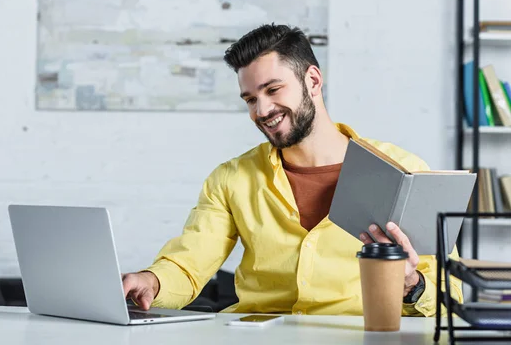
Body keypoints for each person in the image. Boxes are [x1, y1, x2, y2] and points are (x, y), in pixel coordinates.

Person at [122, 24, 462, 316]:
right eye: (250, 99)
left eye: (272, 89)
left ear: (312, 80)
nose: (263, 109)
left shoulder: (405, 172)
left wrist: (410, 285)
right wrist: (151, 281)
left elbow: (451, 302)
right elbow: (191, 262)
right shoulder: (230, 179)